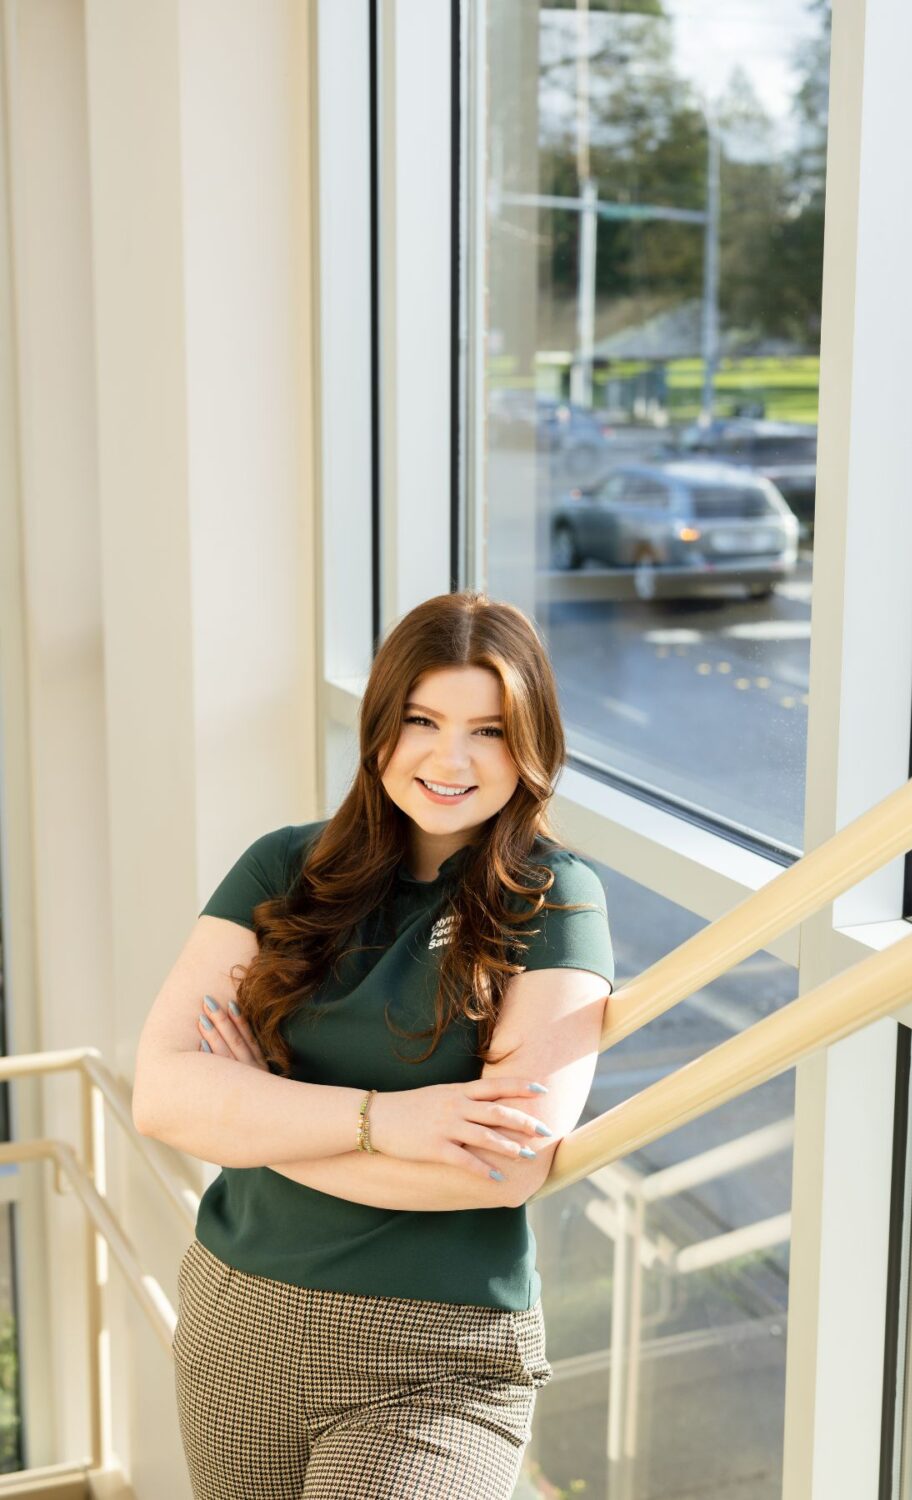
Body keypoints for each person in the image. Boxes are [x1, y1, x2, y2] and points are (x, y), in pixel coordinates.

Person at [133, 589, 615, 1500]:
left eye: (489, 731)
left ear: (532, 744)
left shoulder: (556, 898)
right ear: (380, 725)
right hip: (238, 1319)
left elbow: (504, 1167)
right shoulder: (284, 866)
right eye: (423, 720)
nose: (450, 758)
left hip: (440, 1358)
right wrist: (385, 1123)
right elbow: (162, 1095)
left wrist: (257, 1119)